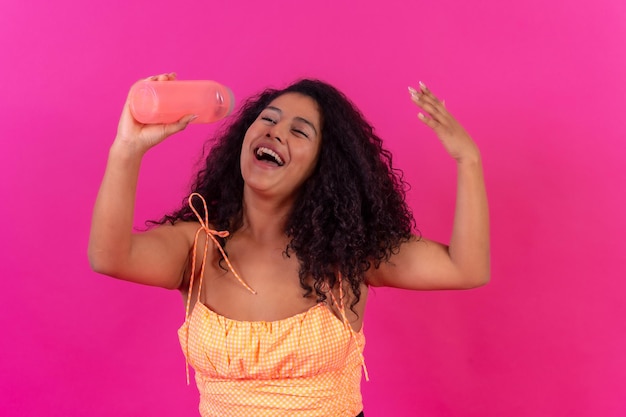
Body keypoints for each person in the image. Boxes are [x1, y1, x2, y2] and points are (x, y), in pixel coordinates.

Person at [88, 73, 490, 417]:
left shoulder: (348, 253)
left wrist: (468, 161)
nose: (275, 132)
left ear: (323, 165)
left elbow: (466, 269)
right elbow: (109, 257)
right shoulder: (199, 245)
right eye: (267, 120)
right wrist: (127, 147)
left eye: (299, 131)